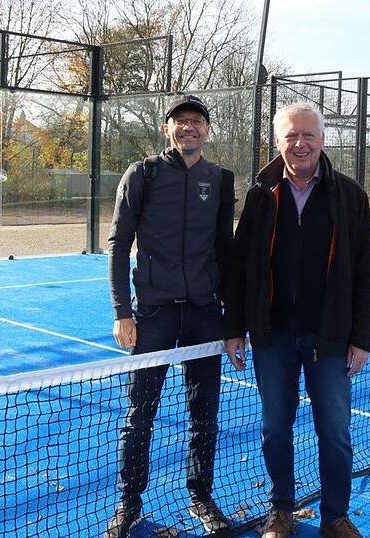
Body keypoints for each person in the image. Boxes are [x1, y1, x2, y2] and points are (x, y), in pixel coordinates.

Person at [223, 102, 370, 538]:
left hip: (329, 339)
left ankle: (335, 516)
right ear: (278, 142)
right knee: (275, 428)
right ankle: (281, 510)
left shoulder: (350, 196)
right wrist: (234, 327)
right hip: (272, 338)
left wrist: (361, 338)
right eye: (291, 136)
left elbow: (366, 273)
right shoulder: (260, 196)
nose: (300, 143)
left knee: (335, 433)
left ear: (323, 140)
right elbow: (240, 268)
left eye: (308, 135)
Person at [106, 94, 235, 537]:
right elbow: (119, 243)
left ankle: (201, 496)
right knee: (140, 413)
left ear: (207, 130)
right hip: (154, 315)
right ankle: (129, 503)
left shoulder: (219, 179)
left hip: (204, 314)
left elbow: (225, 249)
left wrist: (232, 318)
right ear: (167, 128)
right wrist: (124, 312)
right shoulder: (142, 174)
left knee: (205, 413)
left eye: (196, 121)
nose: (188, 128)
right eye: (180, 121)